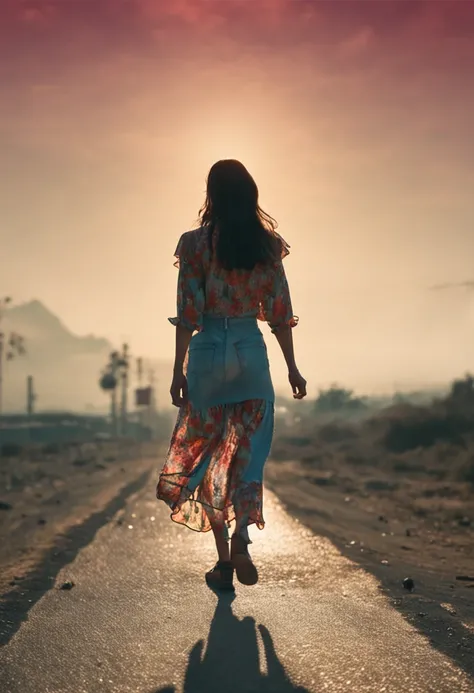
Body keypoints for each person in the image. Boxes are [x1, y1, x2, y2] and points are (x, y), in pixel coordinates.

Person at [156, 159, 307, 592]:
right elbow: (279, 313)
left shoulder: (194, 245)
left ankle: (224, 563)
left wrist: (177, 370)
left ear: (212, 194)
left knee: (209, 458)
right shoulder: (267, 246)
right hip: (249, 350)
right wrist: (293, 367)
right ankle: (242, 538)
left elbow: (188, 312)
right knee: (248, 456)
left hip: (206, 355)